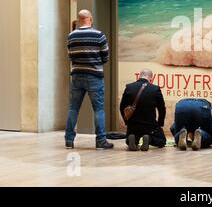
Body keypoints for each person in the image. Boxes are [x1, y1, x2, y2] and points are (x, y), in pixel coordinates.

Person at [65, 10, 113, 150]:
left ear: (79, 20)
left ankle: (69, 140)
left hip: (76, 76)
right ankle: (100, 141)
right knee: (98, 109)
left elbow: (71, 56)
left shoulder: (71, 36)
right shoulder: (99, 35)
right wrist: (95, 63)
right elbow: (105, 56)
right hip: (94, 76)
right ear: (90, 19)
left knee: (73, 108)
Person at [119, 69, 166, 151]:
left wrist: (127, 122)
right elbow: (162, 108)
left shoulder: (129, 87)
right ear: (151, 77)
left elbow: (122, 106)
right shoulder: (155, 89)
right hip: (150, 126)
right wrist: (160, 123)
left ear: (139, 76)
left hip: (133, 125)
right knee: (162, 141)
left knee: (130, 137)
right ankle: (149, 139)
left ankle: (132, 139)